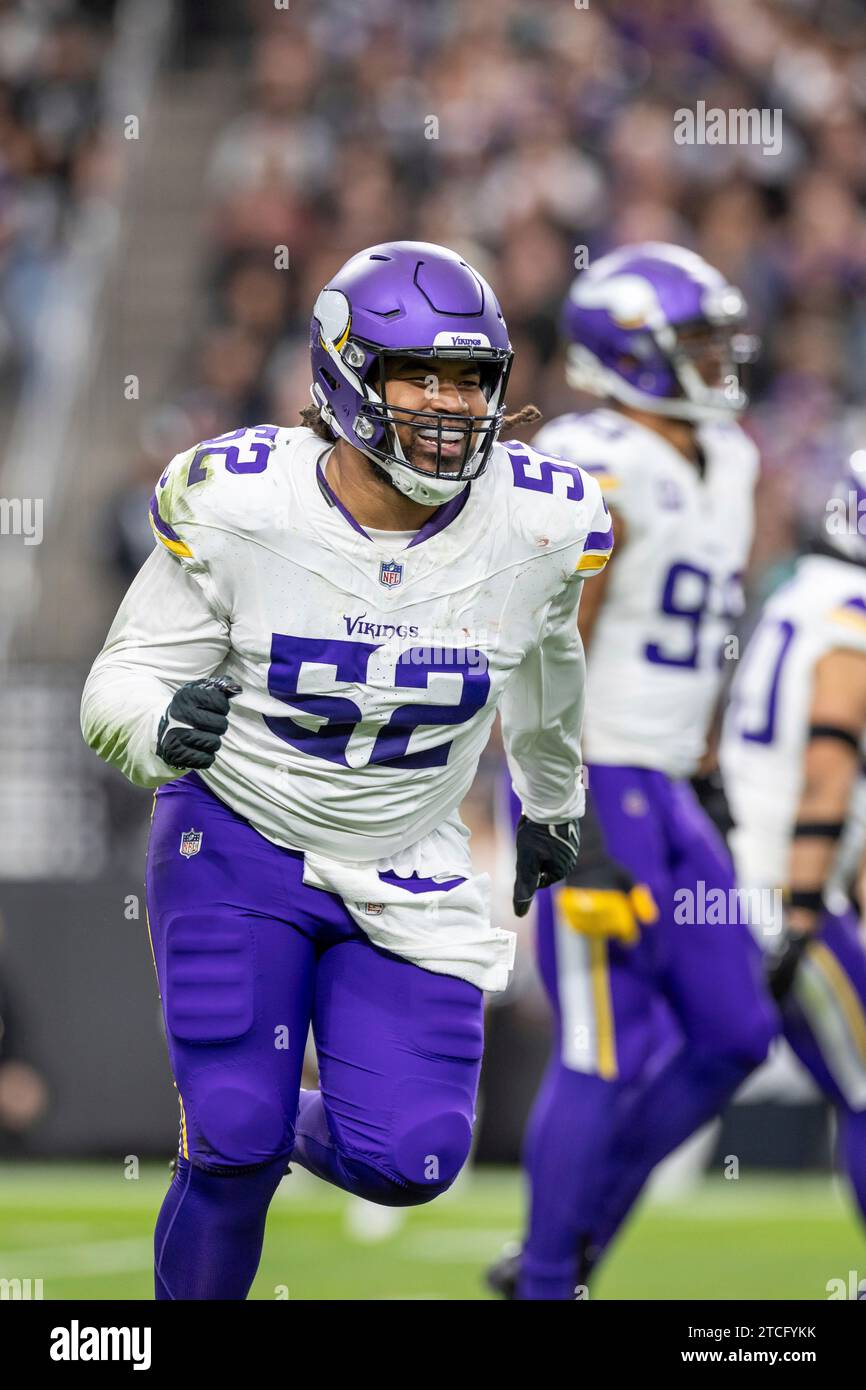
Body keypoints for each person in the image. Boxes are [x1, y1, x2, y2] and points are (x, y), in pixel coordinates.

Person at [80, 240, 613, 1300]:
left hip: (405, 848)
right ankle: (242, 1120)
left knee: (409, 1160)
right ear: (344, 374)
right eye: (418, 372)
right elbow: (120, 678)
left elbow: (548, 662)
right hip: (239, 832)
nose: (448, 404)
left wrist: (552, 800)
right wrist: (156, 726)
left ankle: (265, 1112)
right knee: (231, 1141)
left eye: (468, 377)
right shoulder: (243, 504)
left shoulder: (543, 521)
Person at [488, 242, 775, 1300]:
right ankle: (551, 1275)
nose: (715, 361)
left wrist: (703, 765)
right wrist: (556, 804)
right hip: (596, 782)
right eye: (691, 344)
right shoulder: (592, 457)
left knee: (734, 1030)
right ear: (627, 357)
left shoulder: (729, 455)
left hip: (668, 786)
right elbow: (551, 646)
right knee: (599, 1042)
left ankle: (567, 1238)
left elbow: (700, 638)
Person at [720, 459, 866, 1236]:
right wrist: (806, 916)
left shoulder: (800, 591)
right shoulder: (850, 616)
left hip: (739, 874)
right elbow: (826, 778)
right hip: (785, 887)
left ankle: (556, 1250)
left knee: (693, 1066)